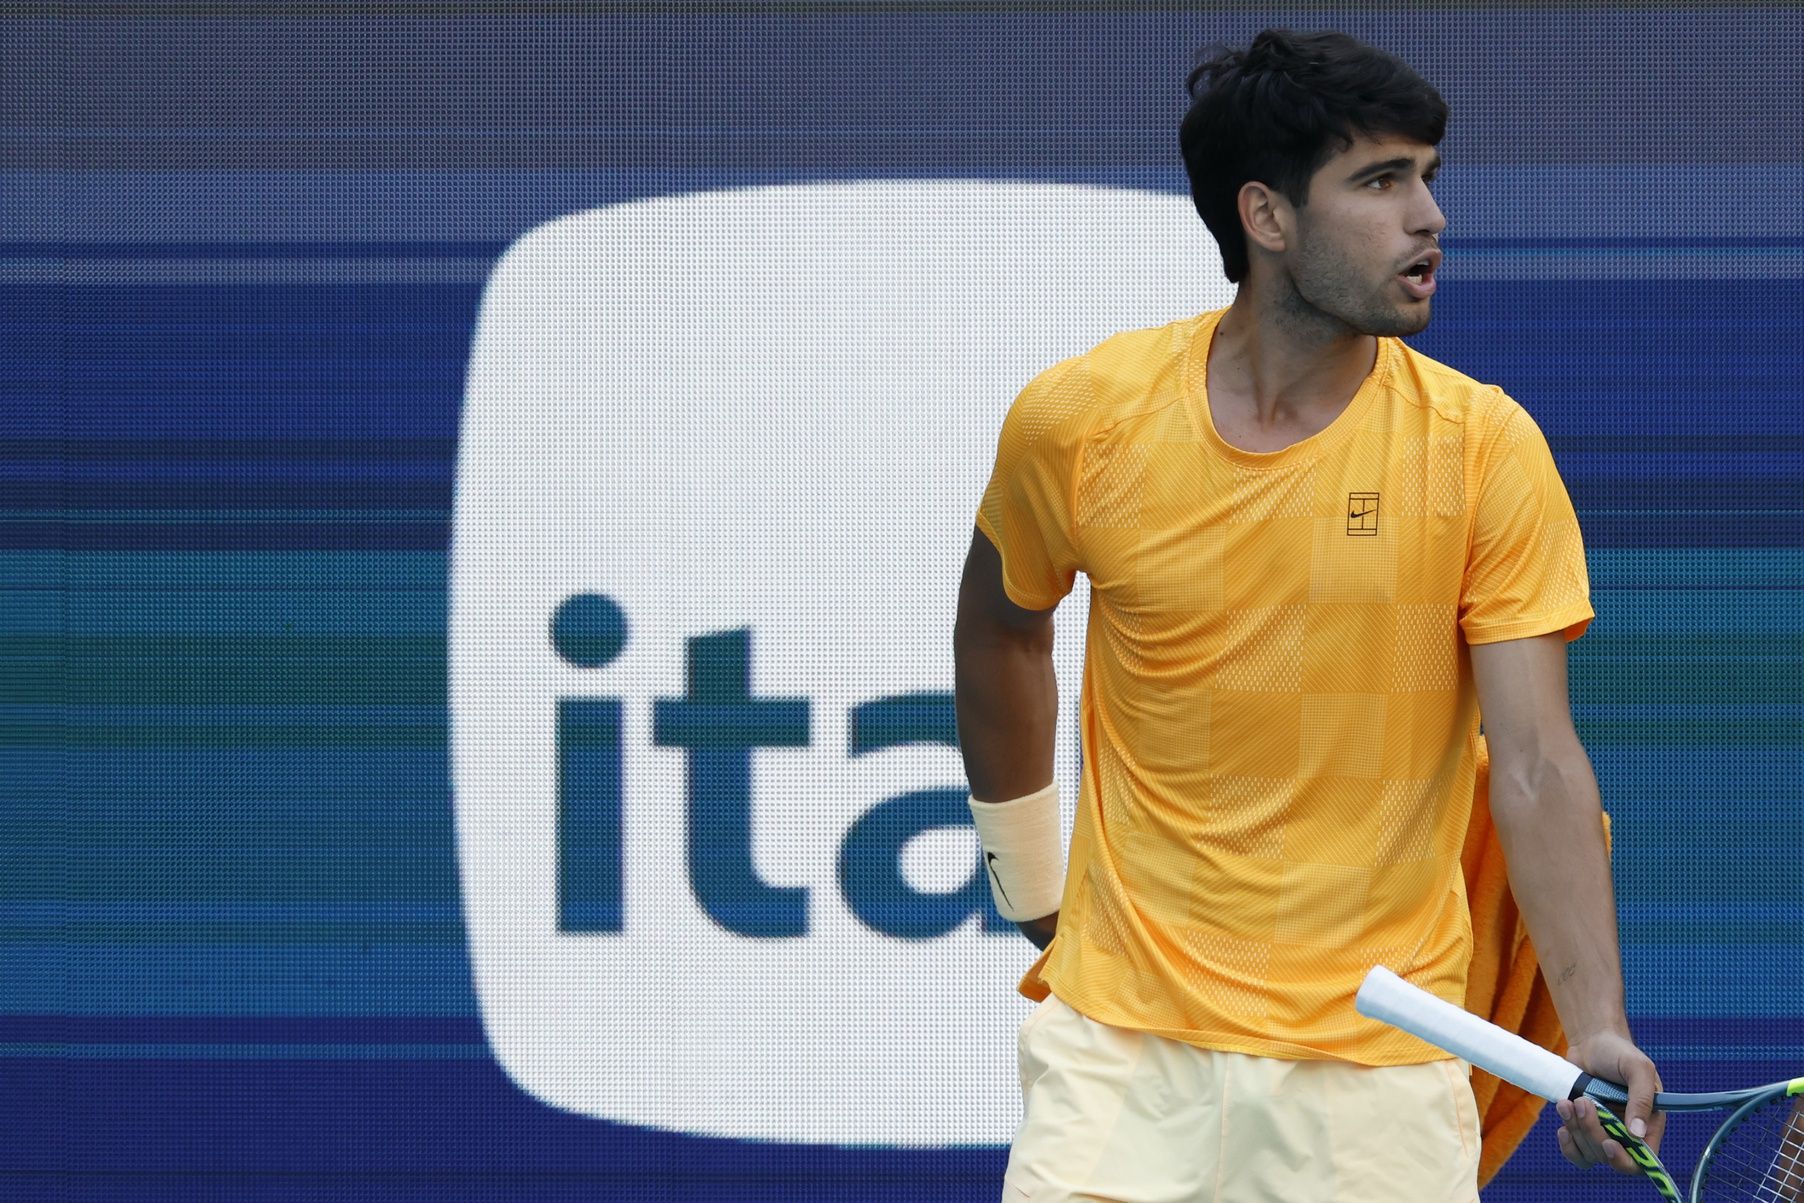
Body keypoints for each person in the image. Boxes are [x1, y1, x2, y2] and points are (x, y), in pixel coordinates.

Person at [953, 28, 1663, 1202]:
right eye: (1380, 182)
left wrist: (1592, 1025)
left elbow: (1533, 762)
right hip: (1119, 1054)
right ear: (1266, 218)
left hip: (1374, 1079)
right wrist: (1031, 888)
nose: (1428, 215)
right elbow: (1000, 625)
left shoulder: (1484, 450)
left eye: (1427, 175)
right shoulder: (1081, 424)